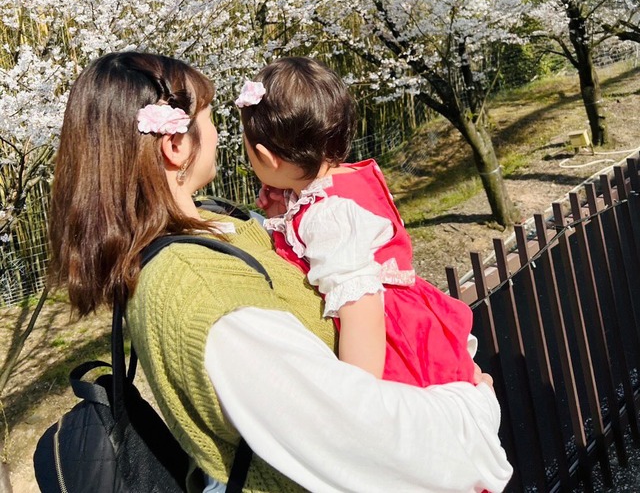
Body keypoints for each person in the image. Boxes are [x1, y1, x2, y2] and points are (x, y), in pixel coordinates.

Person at [48, 50, 512, 493]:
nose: (220, 133)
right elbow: (360, 435)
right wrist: (472, 405)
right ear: (174, 144)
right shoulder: (200, 290)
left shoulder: (215, 229)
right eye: (209, 116)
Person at [236, 56, 477, 388]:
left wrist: (358, 392)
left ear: (265, 157)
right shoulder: (346, 181)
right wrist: (283, 214)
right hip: (413, 317)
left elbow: (359, 305)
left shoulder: (327, 215)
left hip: (386, 341)